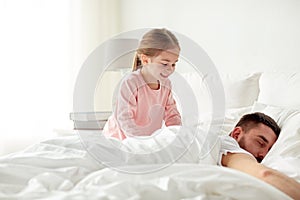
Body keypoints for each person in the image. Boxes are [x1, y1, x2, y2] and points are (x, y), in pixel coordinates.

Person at [103, 28, 182, 140]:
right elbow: (124, 118)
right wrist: (141, 141)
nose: (170, 69)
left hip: (145, 141)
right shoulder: (131, 82)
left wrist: (178, 136)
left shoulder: (166, 84)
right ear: (145, 60)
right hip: (118, 138)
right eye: (165, 64)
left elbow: (172, 115)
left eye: (173, 64)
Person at [220, 112, 300, 199]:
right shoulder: (228, 145)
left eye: (269, 150)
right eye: (260, 143)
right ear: (237, 134)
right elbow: (265, 174)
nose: (264, 154)